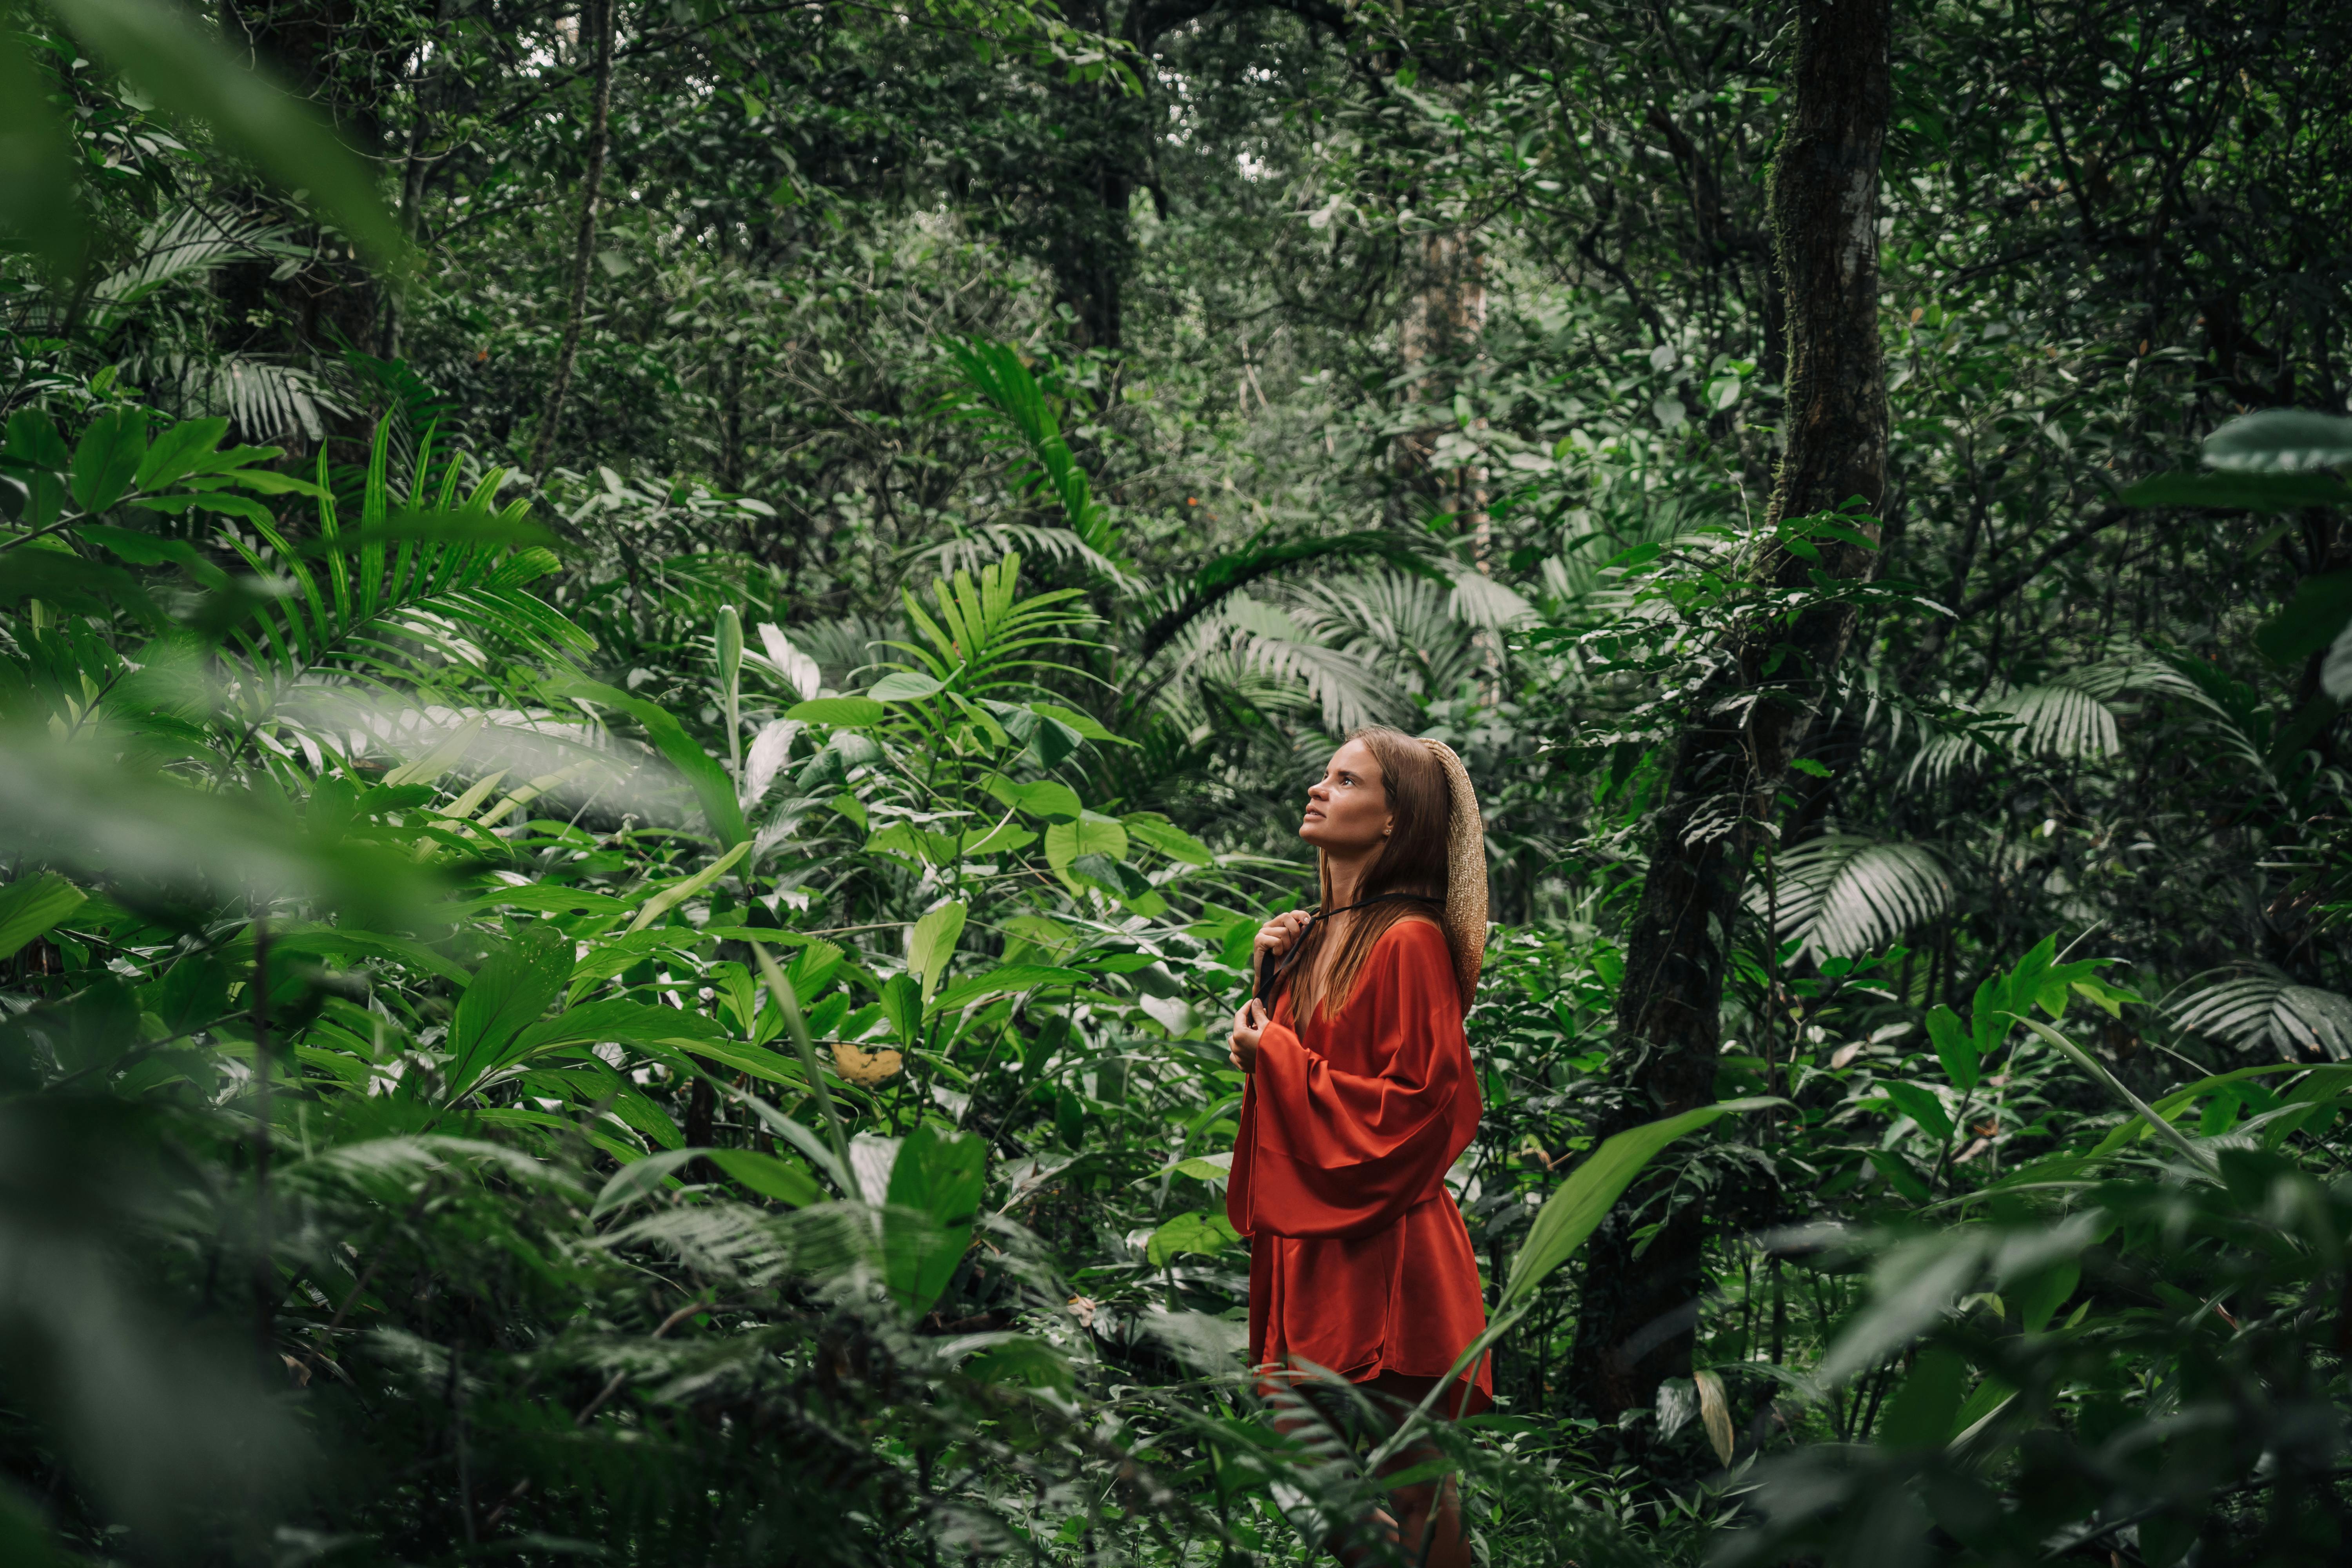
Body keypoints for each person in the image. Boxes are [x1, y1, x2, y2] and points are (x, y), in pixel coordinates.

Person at [1226, 726, 1490, 1568]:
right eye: (1327, 773)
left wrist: (1271, 1051)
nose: (1319, 787)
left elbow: (1420, 1108)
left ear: (1392, 819)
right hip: (1312, 1247)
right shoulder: (1312, 936)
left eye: (1346, 779)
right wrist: (1265, 990)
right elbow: (1296, 1091)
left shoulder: (1408, 939)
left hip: (1389, 1251)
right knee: (1331, 1487)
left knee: (1415, 1496)